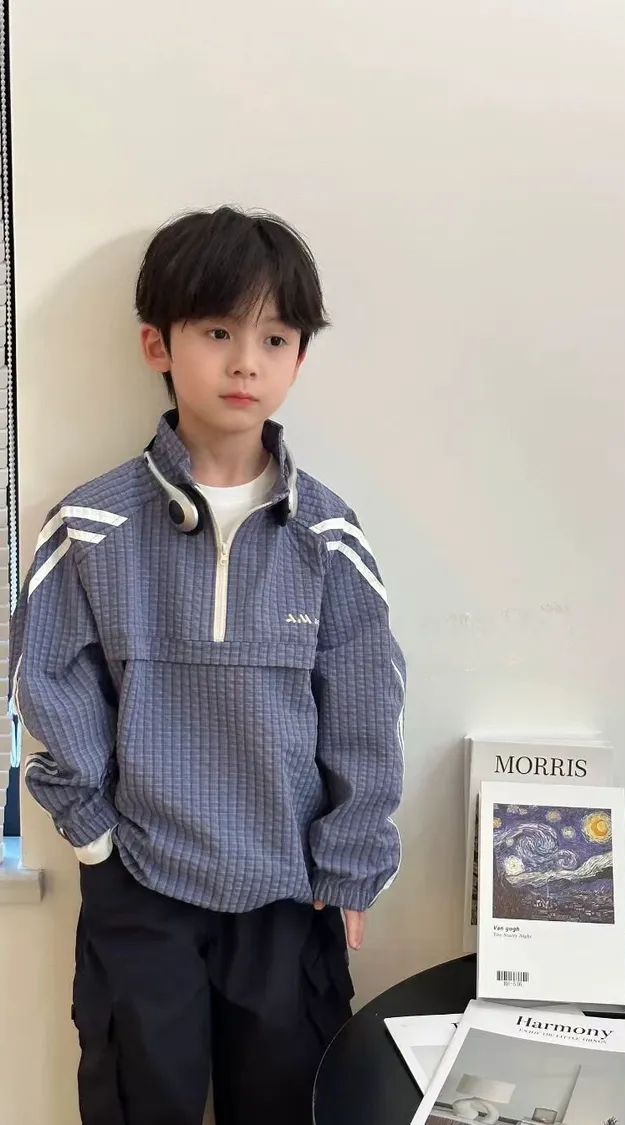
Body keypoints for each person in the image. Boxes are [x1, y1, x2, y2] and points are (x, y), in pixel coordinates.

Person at [9, 205, 406, 1125]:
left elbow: (364, 707)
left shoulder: (328, 536)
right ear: (158, 343)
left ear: (299, 357)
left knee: (289, 1105)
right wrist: (94, 838)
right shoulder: (92, 525)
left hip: (287, 896)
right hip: (141, 887)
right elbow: (47, 682)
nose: (245, 363)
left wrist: (352, 861)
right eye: (219, 332)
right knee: (140, 1103)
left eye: (275, 338)